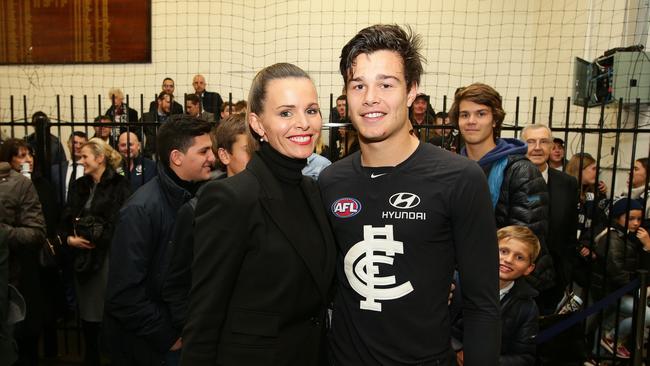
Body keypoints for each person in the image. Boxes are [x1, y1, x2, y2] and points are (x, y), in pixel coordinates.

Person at [319, 24, 500, 365]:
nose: (370, 98)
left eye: (386, 84)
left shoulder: (459, 178)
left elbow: (482, 305)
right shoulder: (331, 181)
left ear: (411, 91)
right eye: (359, 85)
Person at [181, 63, 336, 365]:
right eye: (285, 113)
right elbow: (205, 314)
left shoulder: (314, 191)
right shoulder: (230, 198)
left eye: (312, 110)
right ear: (257, 123)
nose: (303, 123)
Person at [105, 116, 215, 365]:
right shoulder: (141, 210)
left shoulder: (195, 197)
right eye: (204, 151)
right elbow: (123, 293)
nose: (213, 157)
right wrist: (167, 336)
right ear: (177, 157)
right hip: (153, 347)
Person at [161, 113, 257, 342]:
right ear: (224, 155)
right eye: (249, 151)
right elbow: (177, 283)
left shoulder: (272, 204)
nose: (258, 159)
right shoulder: (196, 210)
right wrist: (195, 333)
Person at [451, 83, 553, 294]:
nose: (471, 121)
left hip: (504, 286)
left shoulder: (521, 171)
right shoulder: (450, 169)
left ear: (495, 119)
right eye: (464, 114)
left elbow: (526, 239)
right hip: (458, 280)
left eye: (480, 114)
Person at [59, 138, 131, 365]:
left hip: (108, 258)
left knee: (109, 312)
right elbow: (66, 217)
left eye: (85, 157)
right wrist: (70, 239)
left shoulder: (120, 185)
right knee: (88, 315)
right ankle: (91, 357)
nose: (81, 161)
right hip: (83, 259)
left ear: (100, 158)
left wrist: (100, 237)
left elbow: (124, 222)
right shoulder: (79, 185)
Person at [453, 225, 540, 366]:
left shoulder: (527, 308)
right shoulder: (458, 283)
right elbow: (432, 325)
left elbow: (525, 357)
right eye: (503, 251)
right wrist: (456, 350)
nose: (509, 260)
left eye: (519, 257)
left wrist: (484, 361)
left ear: (529, 268)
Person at [521, 124, 578, 314]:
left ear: (552, 146)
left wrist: (565, 272)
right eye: (530, 141)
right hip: (515, 276)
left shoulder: (567, 183)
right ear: (522, 146)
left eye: (543, 141)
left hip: (553, 279)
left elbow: (569, 231)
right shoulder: (508, 178)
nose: (537, 147)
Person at [0, 150, 46, 366]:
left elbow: (36, 232)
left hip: (11, 277)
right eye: (20, 155)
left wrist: (3, 232)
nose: (27, 160)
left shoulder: (19, 184)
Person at [591, 198, 648, 359]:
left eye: (639, 219)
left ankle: (599, 354)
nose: (636, 223)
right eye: (630, 218)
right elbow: (616, 271)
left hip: (621, 289)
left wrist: (646, 246)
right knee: (646, 315)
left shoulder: (627, 236)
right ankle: (610, 338)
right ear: (618, 217)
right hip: (611, 291)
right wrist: (637, 286)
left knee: (608, 322)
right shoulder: (612, 237)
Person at [565, 152, 609, 289]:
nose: (597, 173)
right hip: (569, 255)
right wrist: (579, 246)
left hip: (586, 255)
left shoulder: (593, 194)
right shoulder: (566, 192)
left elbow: (601, 222)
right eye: (593, 169)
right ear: (579, 170)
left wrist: (587, 244)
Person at [51, 131, 88, 204]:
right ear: (68, 144)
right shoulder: (56, 169)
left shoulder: (90, 169)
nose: (78, 146)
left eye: (81, 144)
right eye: (74, 142)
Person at [143, 91, 174, 157]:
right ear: (159, 101)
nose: (170, 105)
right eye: (168, 102)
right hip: (150, 156)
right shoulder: (147, 117)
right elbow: (137, 135)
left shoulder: (173, 119)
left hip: (168, 157)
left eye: (172, 103)